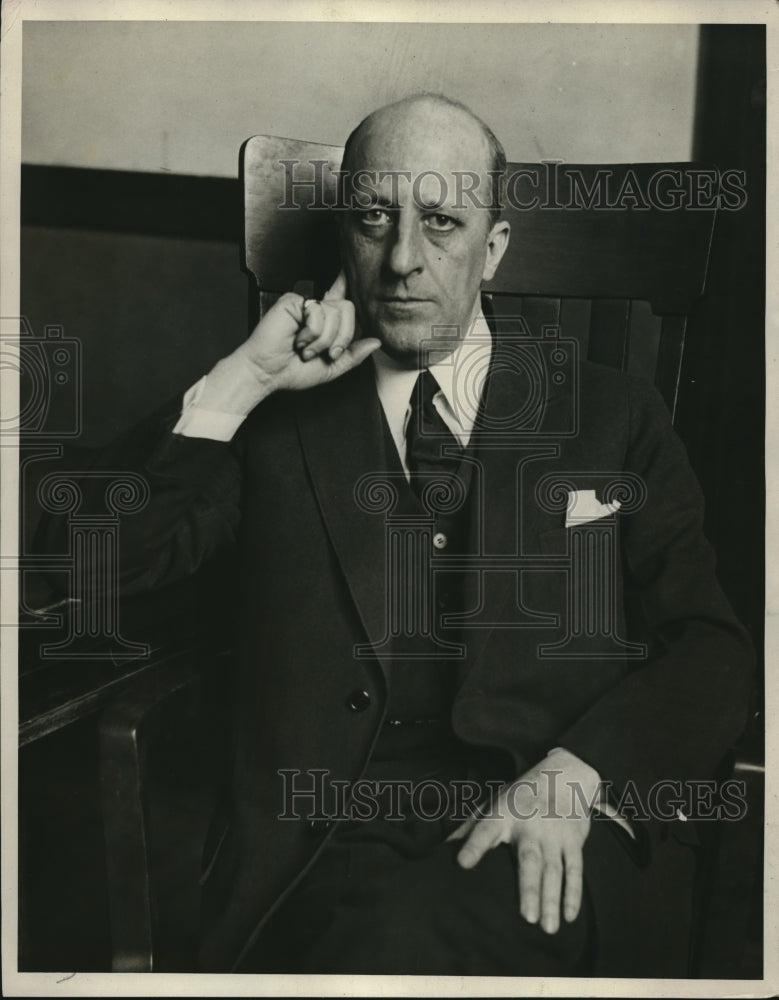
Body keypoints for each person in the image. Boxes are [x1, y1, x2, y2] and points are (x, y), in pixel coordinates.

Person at [44, 93, 753, 977]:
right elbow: (92, 567)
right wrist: (241, 381)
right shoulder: (274, 417)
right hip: (315, 847)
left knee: (397, 950)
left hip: (538, 826)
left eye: (442, 221)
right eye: (374, 217)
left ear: (493, 247)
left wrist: (578, 772)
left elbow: (711, 645)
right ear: (344, 234)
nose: (404, 258)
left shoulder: (612, 415)